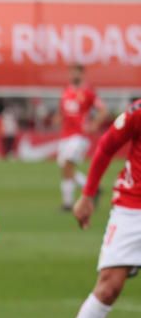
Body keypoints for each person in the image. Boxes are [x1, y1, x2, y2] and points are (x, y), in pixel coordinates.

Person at [46, 98, 141, 318]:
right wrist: (86, 197)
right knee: (108, 287)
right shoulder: (138, 112)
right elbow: (106, 146)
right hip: (133, 207)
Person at [56, 64, 108, 210]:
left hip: (79, 136)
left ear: (82, 74)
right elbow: (63, 112)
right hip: (65, 135)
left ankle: (68, 203)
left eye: (76, 73)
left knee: (67, 165)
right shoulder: (66, 92)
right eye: (71, 72)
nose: (73, 75)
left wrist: (94, 124)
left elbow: (103, 110)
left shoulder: (88, 92)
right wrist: (57, 119)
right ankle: (93, 188)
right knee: (65, 167)